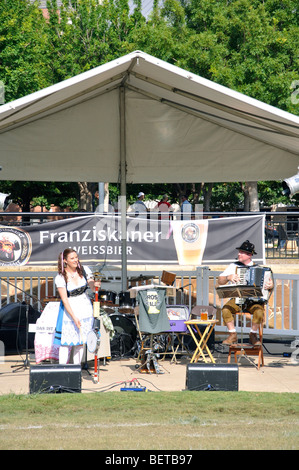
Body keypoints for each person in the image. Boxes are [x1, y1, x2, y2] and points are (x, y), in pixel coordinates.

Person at [218, 240, 273, 346]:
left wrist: (271, 286)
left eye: (242, 252)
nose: (239, 254)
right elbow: (220, 280)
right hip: (237, 298)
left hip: (254, 301)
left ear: (249, 255)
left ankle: (253, 335)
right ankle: (232, 335)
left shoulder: (259, 269)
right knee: (226, 309)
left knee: (259, 312)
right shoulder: (233, 266)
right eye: (239, 252)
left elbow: (269, 286)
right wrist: (228, 277)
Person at [54, 248, 101, 364]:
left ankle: (76, 369)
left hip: (85, 307)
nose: (76, 260)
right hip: (70, 310)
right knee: (66, 343)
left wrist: (95, 285)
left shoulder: (84, 270)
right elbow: (64, 300)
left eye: (76, 257)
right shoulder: (61, 277)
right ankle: (63, 370)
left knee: (80, 341)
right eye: (72, 258)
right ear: (65, 261)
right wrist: (74, 318)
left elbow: (91, 285)